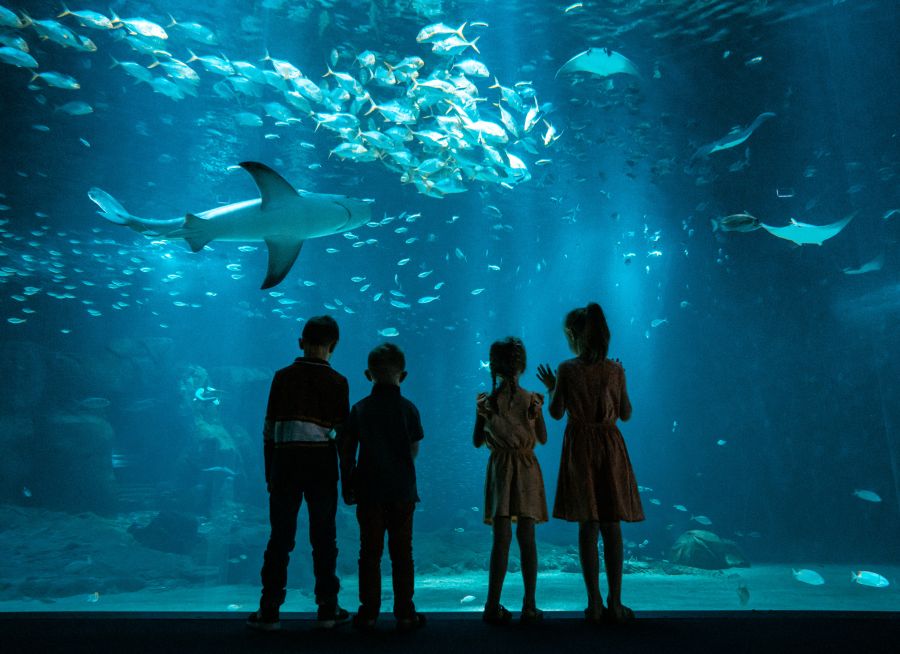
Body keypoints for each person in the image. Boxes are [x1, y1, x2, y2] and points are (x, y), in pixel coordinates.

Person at [536, 303, 644, 624]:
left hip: (581, 448)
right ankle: (616, 601)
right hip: (611, 447)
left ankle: (594, 602)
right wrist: (620, 382)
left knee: (589, 525)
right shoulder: (616, 370)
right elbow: (625, 414)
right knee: (612, 525)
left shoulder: (567, 370)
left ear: (573, 336)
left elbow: (556, 413)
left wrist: (552, 387)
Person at [247, 315, 351, 631]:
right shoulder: (338, 382)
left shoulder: (281, 377)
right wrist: (347, 478)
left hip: (285, 464)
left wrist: (269, 472)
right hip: (321, 466)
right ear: (334, 346)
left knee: (280, 537)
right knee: (324, 537)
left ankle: (269, 610)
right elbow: (341, 436)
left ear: (300, 343)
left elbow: (268, 430)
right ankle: (327, 609)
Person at [338, 343, 426, 632]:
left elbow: (348, 451)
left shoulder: (360, 409)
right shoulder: (409, 409)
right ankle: (405, 611)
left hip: (370, 491)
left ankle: (369, 611)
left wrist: (348, 483)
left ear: (368, 374)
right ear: (405, 375)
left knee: (369, 552)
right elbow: (414, 449)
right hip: (401, 491)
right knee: (403, 552)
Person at [473, 337, 549, 625]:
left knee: (500, 540)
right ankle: (530, 606)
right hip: (527, 467)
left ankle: (491, 605)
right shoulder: (533, 400)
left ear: (493, 366)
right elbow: (542, 438)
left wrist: (487, 420)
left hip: (500, 468)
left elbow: (477, 441)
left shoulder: (486, 401)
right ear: (523, 365)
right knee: (528, 539)